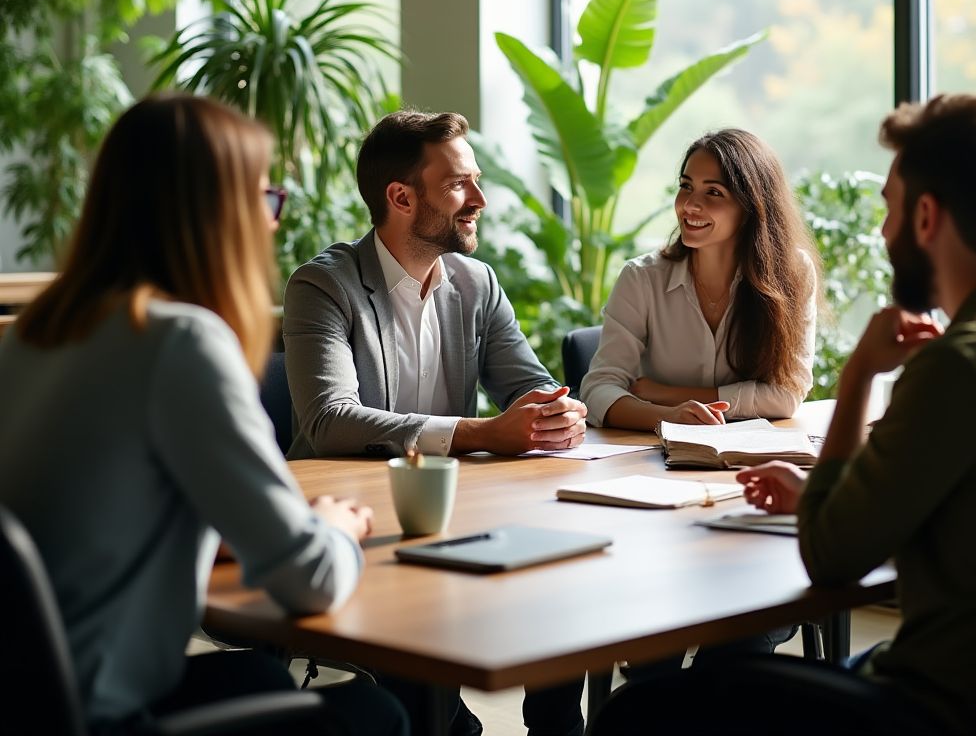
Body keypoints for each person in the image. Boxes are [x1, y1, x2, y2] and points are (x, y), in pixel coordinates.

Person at [593, 93, 976, 736]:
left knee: (636, 713)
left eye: (889, 209)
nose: (882, 232)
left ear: (926, 217)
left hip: (929, 704)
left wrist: (856, 380)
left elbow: (833, 557)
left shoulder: (956, 368)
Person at [0, 95, 407, 736]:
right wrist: (331, 525)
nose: (271, 223)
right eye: (265, 198)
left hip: (26, 703)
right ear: (214, 214)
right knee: (373, 716)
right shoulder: (178, 341)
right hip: (100, 715)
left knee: (263, 678)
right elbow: (311, 579)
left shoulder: (27, 338)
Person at [283, 109, 588, 736]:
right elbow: (330, 421)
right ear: (400, 196)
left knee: (562, 587)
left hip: (454, 518)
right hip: (358, 524)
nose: (479, 199)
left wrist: (553, 411)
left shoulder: (475, 283)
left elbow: (526, 384)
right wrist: (479, 433)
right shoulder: (325, 284)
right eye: (458, 185)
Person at [581, 128, 819, 433]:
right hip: (651, 458)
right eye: (686, 186)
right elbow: (598, 390)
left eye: (713, 192)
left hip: (751, 458)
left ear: (751, 207)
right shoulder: (641, 279)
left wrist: (667, 395)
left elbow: (787, 394)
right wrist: (666, 416)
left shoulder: (793, 273)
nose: (690, 205)